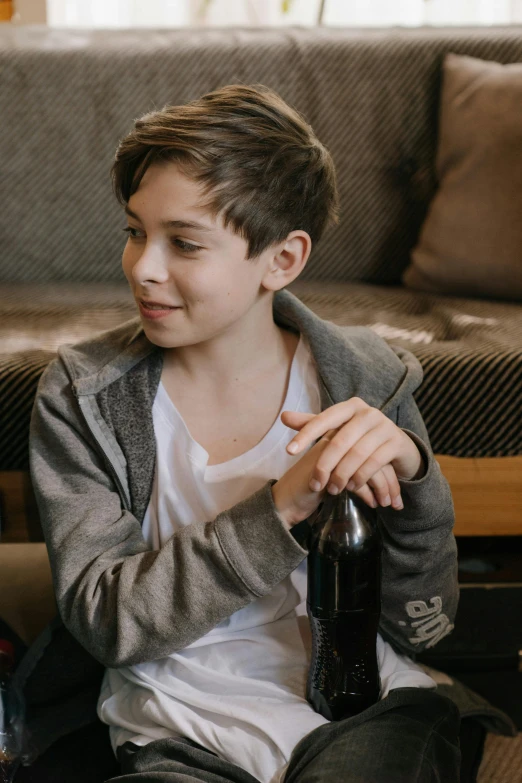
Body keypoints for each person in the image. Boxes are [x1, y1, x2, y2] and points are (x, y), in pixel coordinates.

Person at [28, 83, 461, 783]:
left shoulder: (367, 380)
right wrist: (279, 507)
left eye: (185, 243)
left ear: (283, 259)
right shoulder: (84, 396)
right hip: (173, 726)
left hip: (362, 712)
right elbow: (106, 620)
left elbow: (427, 624)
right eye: (135, 231)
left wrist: (416, 481)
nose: (144, 267)